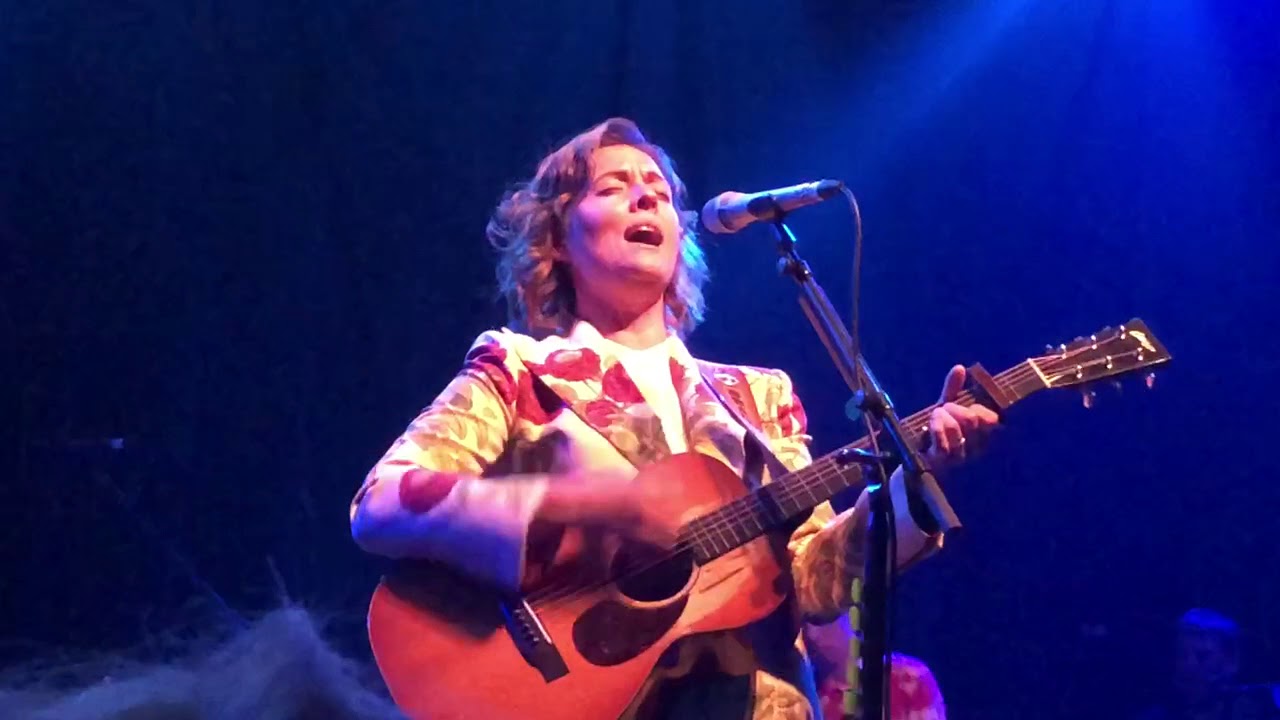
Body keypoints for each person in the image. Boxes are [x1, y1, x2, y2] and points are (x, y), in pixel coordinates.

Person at [349, 117, 1000, 719]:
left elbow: (816, 577)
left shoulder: (757, 398)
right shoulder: (520, 369)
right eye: (613, 186)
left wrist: (911, 485)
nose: (646, 197)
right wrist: (581, 506)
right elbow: (381, 501)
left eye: (657, 188)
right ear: (558, 239)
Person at [1138, 609, 1280, 720]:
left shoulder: (1263, 705)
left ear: (1231, 661)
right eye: (1182, 655)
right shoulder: (1159, 716)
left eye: (1203, 656)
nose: (1188, 666)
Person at [804, 614, 947, 720]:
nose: (812, 635)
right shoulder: (811, 698)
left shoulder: (909, 677)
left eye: (821, 622)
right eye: (805, 626)